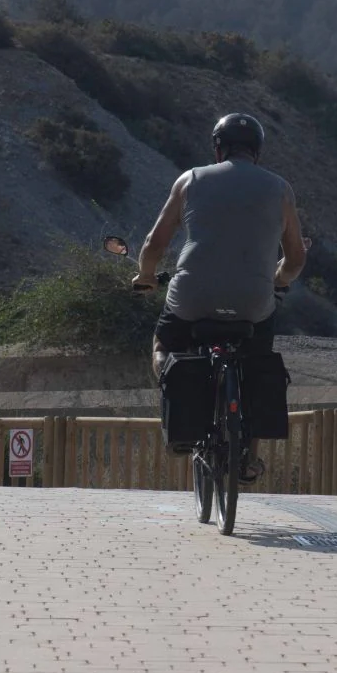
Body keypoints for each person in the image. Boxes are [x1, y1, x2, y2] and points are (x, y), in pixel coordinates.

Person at [135, 112, 307, 479]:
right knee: (257, 363)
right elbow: (295, 260)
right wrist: (276, 279)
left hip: (192, 295)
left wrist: (146, 276)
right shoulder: (280, 189)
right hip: (252, 302)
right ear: (257, 151)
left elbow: (154, 243)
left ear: (217, 148)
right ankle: (249, 457)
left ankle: (177, 403)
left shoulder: (191, 179)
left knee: (162, 345)